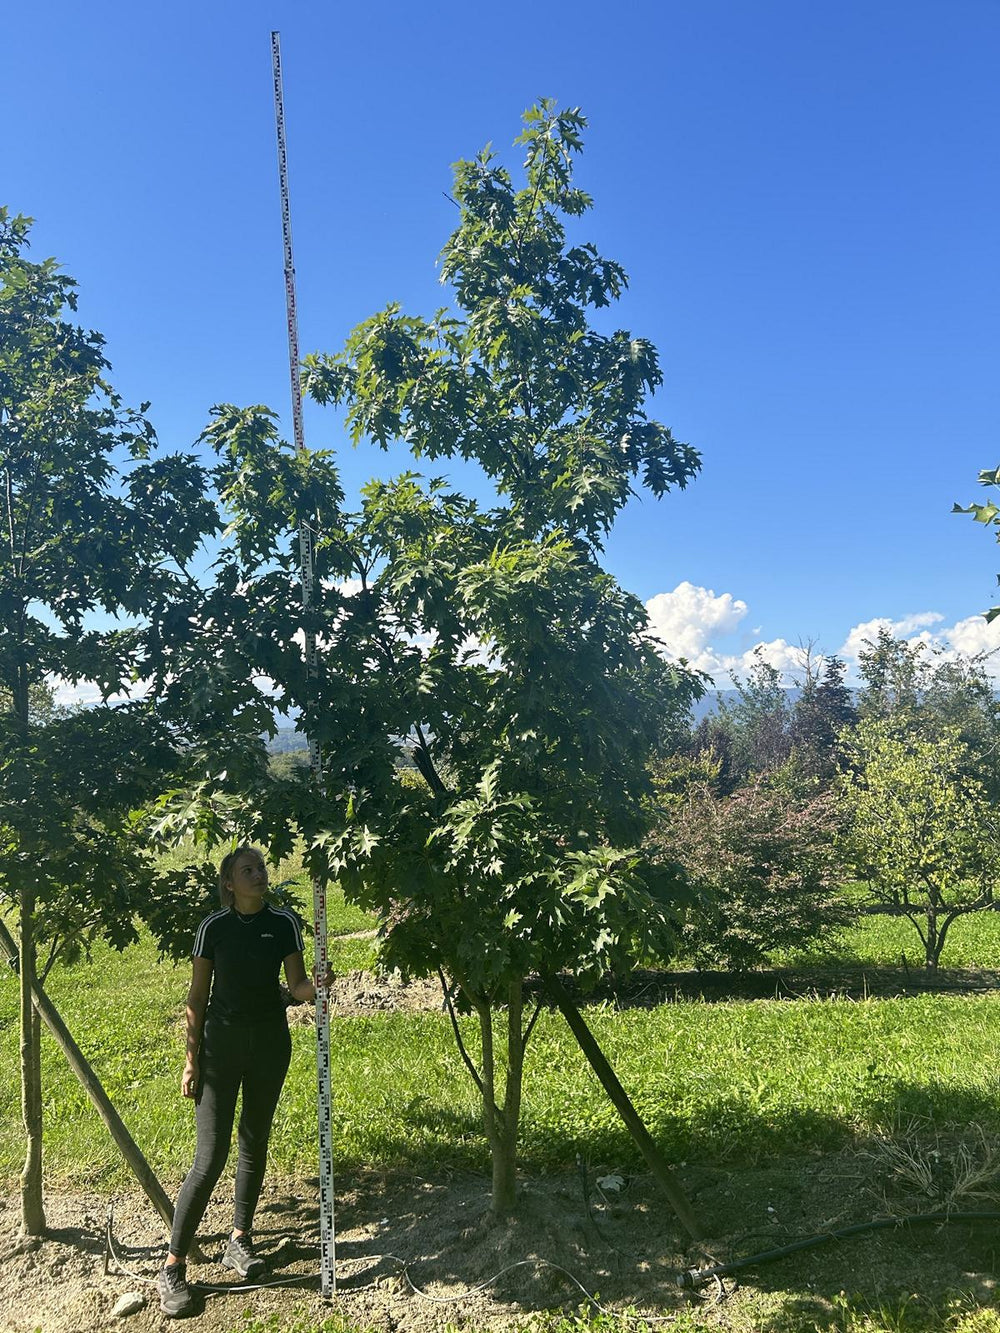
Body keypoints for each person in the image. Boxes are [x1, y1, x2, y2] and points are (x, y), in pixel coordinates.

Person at [158, 846, 330, 1318]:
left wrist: (316, 986)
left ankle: (240, 1239)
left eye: (262, 868)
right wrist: (191, 1061)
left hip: (270, 1044)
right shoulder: (214, 929)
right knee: (209, 1157)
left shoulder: (285, 923)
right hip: (222, 1047)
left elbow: (296, 987)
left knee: (255, 1142)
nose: (259, 875)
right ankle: (172, 1265)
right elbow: (197, 997)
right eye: (247, 870)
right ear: (229, 883)